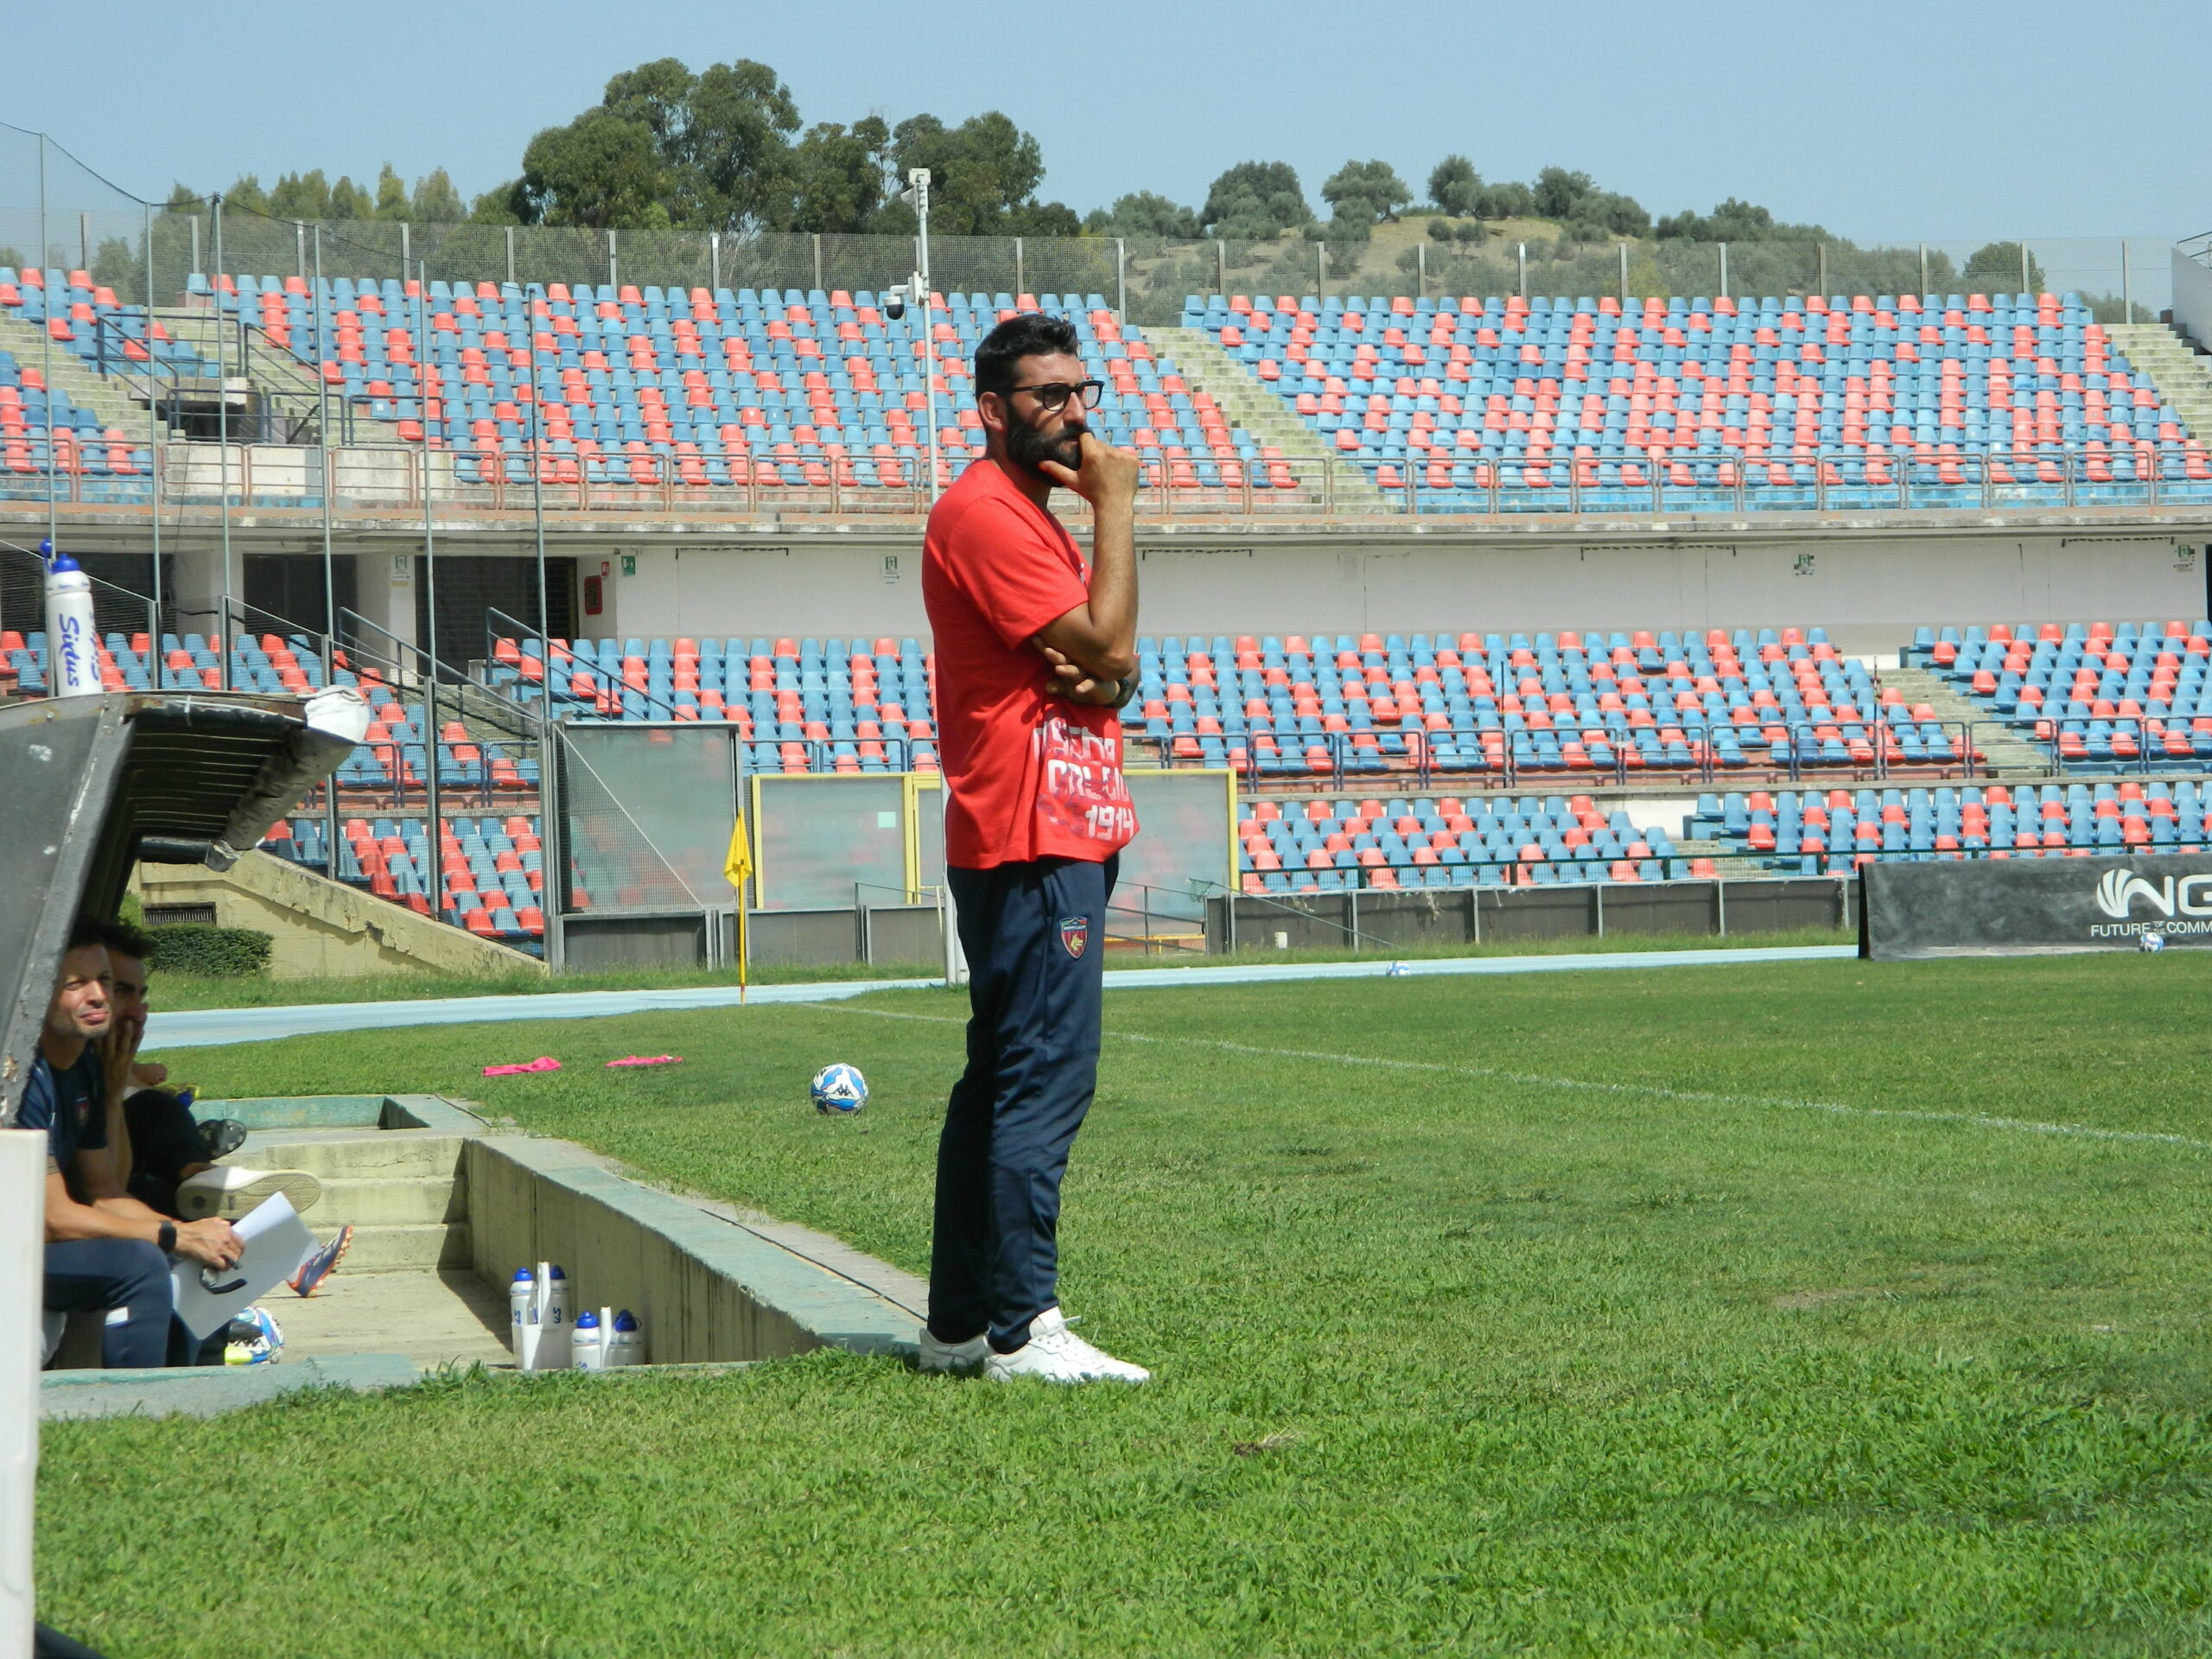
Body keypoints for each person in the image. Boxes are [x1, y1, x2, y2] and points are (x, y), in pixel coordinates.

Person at [917, 312, 1150, 1384]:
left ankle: (960, 1325)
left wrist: (1117, 677)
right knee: (1043, 1074)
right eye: (1047, 397)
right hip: (1029, 828)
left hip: (1050, 820)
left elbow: (1107, 660)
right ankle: (1023, 1329)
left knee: (1001, 1073)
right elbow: (1103, 640)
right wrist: (1117, 504)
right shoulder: (988, 513)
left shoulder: (1027, 513)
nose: (1073, 414)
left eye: (1080, 392)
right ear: (992, 411)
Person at [90, 918, 350, 1298]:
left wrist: (123, 1083)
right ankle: (206, 1174)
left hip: (131, 1167)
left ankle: (209, 1182)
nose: (138, 1012)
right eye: (121, 993)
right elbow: (96, 1198)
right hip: (108, 1192)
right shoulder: (52, 1079)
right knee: (155, 1109)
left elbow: (110, 1187)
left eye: (141, 996)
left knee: (201, 1210)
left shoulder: (97, 1062)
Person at [27, 925, 243, 1368]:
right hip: (19, 1242)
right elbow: (50, 1219)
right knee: (140, 1262)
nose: (98, 996)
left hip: (37, 1240)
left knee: (198, 1252)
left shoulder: (84, 1064)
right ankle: (140, 1412)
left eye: (105, 982)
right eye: (75, 984)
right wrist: (171, 1234)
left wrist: (196, 1234)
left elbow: (107, 1191)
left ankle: (198, 1390)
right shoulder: (25, 1073)